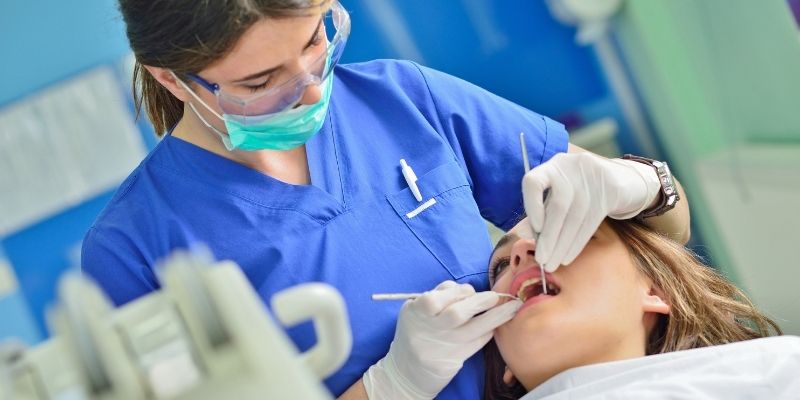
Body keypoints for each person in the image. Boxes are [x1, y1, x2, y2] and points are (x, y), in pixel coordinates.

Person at [81, 1, 690, 398]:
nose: (314, 89)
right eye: (260, 83)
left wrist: (638, 184)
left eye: (317, 41)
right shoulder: (134, 246)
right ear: (171, 79)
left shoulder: (403, 98)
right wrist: (389, 386)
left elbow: (664, 241)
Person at [385, 217, 792, 400]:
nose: (523, 253)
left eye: (562, 236)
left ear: (655, 291)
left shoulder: (775, 368)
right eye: (501, 267)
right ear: (506, 362)